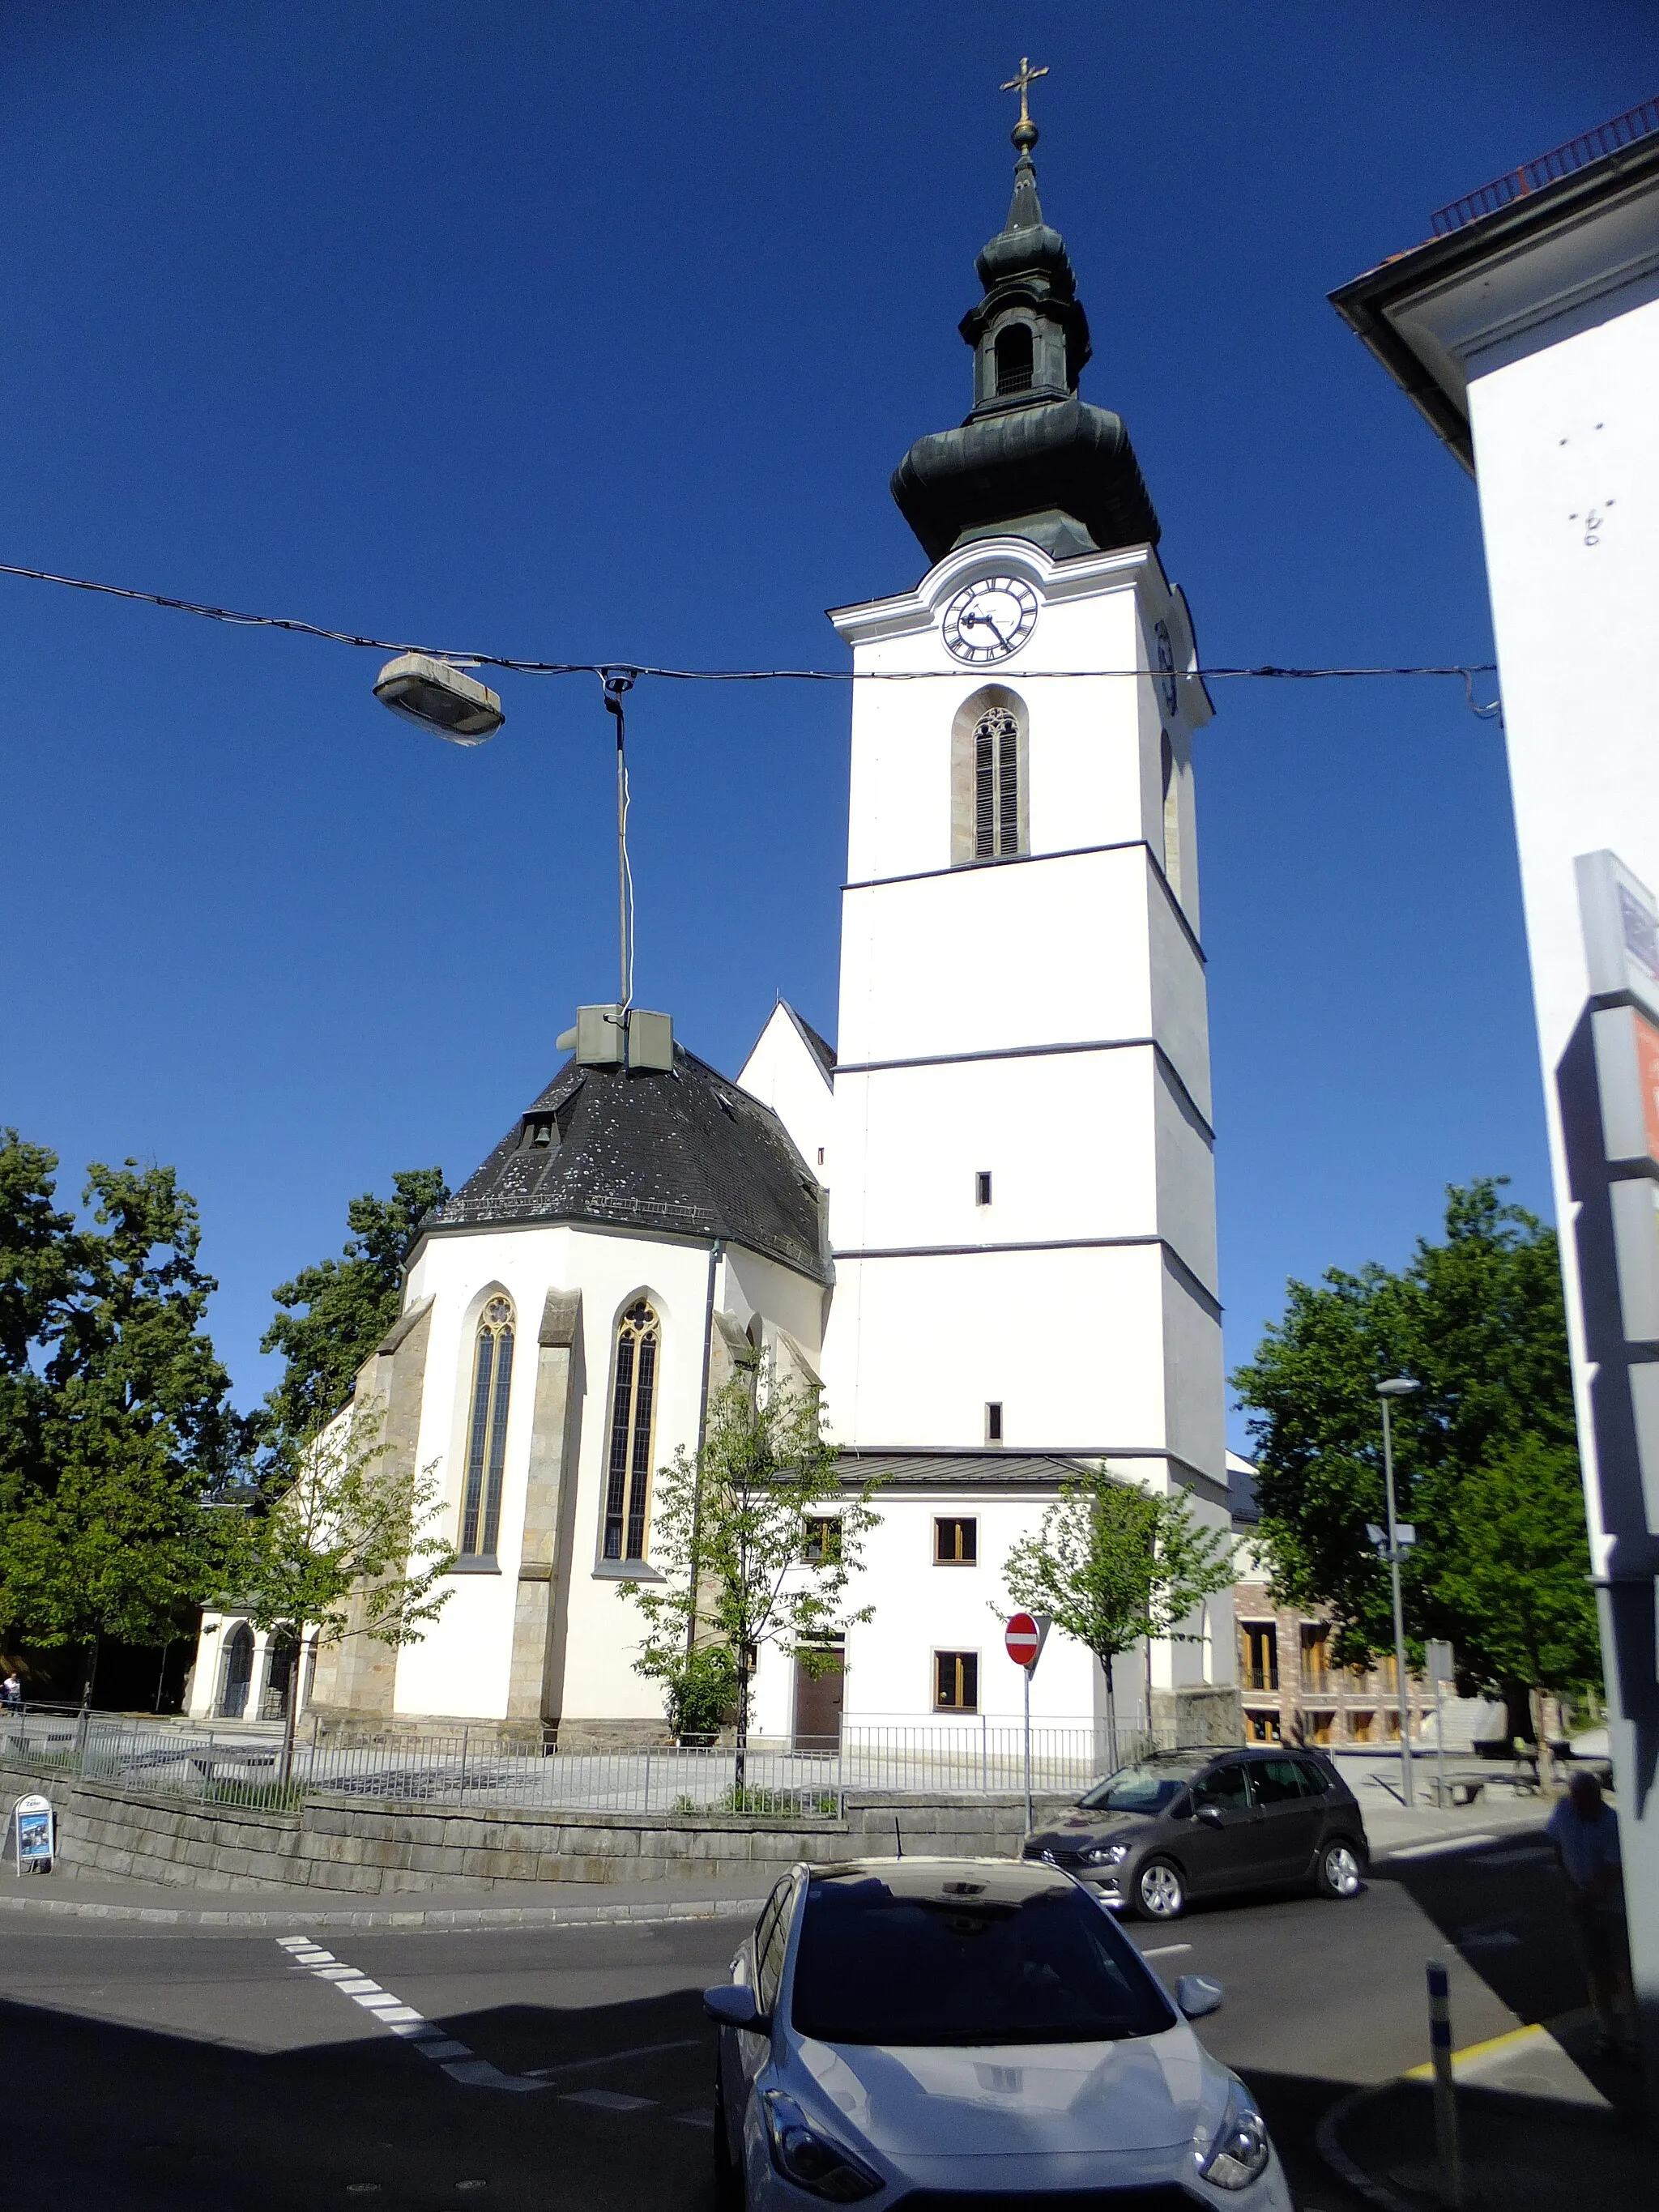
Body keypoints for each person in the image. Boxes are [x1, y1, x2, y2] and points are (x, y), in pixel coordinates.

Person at [1547, 1768, 1635, 2057]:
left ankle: (1634, 2034)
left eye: (1586, 1801)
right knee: (1595, 1970)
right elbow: (1557, 1846)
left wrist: (1586, 1894)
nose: (1581, 1807)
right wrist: (1568, 1884)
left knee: (1622, 1969)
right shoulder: (1564, 1813)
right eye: (1577, 1800)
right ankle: (1607, 2031)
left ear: (1597, 1798)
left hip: (1611, 1903)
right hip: (1581, 1902)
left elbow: (1614, 1869)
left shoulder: (1610, 1822)